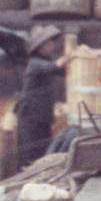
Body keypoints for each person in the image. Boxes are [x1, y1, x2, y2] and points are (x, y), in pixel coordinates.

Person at [18, 25, 65, 166]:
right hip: (31, 113)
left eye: (51, 42)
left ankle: (38, 170)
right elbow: (56, 67)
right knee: (31, 147)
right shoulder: (35, 63)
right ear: (40, 47)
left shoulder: (45, 60)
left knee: (43, 145)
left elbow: (61, 71)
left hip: (42, 113)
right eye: (48, 43)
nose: (52, 45)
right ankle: (28, 172)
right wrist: (71, 54)